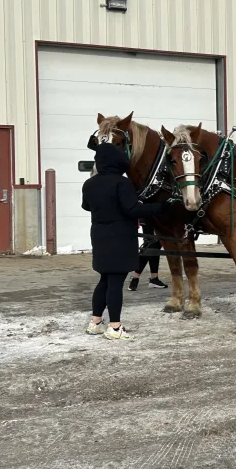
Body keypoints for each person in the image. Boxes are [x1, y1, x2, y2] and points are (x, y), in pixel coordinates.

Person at [82, 144, 169, 340]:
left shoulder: (89, 184)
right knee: (115, 282)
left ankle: (96, 322)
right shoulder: (122, 183)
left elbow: (86, 206)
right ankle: (114, 327)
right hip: (119, 236)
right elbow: (132, 210)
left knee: (104, 279)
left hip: (99, 235)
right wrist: (160, 207)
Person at [127, 221, 168, 290]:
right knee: (150, 245)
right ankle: (135, 278)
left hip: (159, 216)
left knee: (156, 246)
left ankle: (154, 279)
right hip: (148, 216)